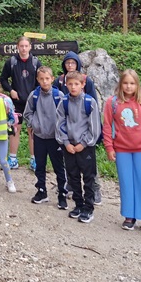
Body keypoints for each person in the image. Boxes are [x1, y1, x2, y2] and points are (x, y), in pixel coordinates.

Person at [102, 69, 141, 234]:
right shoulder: (112, 103)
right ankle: (129, 216)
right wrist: (109, 147)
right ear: (121, 84)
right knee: (126, 183)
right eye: (126, 83)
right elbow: (107, 126)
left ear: (137, 85)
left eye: (132, 83)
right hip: (122, 150)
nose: (128, 86)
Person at [55, 51, 103, 205]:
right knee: (72, 171)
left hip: (85, 138)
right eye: (67, 63)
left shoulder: (87, 88)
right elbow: (60, 119)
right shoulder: (61, 86)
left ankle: (92, 197)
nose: (70, 65)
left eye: (73, 63)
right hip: (69, 138)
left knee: (89, 173)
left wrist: (85, 141)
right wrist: (65, 141)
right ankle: (76, 198)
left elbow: (93, 116)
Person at [24, 66, 67, 210]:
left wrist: (61, 131)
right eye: (41, 79)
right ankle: (41, 191)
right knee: (40, 165)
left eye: (47, 78)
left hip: (55, 138)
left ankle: (62, 194)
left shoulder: (59, 95)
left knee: (59, 167)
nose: (44, 81)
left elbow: (65, 114)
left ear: (52, 79)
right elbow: (27, 113)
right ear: (37, 80)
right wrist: (34, 124)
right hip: (39, 137)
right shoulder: (34, 95)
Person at [0, 36, 42, 170]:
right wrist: (11, 90)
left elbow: (41, 81)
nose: (23, 49)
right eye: (21, 46)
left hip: (31, 103)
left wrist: (35, 94)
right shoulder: (11, 62)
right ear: (17, 47)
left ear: (30, 47)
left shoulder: (36, 63)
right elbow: (3, 79)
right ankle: (12, 159)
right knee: (15, 130)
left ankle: (34, 160)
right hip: (16, 102)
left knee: (32, 131)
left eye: (26, 46)